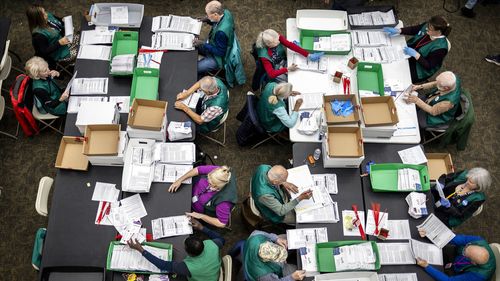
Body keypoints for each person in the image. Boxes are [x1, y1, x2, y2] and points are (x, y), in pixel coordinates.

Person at [127, 218, 223, 281]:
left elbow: (163, 265)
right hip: (213, 273)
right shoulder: (213, 244)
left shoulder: (187, 267)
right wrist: (202, 227)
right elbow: (222, 239)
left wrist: (141, 250)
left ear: (190, 254)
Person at [383, 15, 451, 83]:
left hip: (419, 68)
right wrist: (399, 30)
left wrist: (416, 55)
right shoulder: (429, 26)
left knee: (397, 77)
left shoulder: (441, 48)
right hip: (409, 53)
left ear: (438, 32)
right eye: (428, 26)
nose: (427, 29)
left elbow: (429, 66)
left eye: (430, 29)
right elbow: (414, 29)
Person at [168, 165, 237, 228]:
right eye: (208, 180)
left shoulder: (223, 202)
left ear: (218, 186)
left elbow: (221, 223)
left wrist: (201, 216)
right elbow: (198, 170)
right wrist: (180, 180)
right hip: (189, 194)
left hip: (197, 211)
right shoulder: (219, 173)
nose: (208, 185)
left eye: (211, 184)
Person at [416, 232, 496, 281]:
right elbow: (452, 238)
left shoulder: (478, 276)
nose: (463, 251)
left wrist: (426, 266)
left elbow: (448, 280)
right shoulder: (478, 240)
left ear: (473, 263)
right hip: (455, 256)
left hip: (458, 272)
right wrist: (431, 234)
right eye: (466, 247)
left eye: (465, 254)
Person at [230, 230, 306, 281]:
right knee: (303, 271)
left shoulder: (255, 236)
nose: (284, 259)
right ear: (267, 261)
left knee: (290, 238)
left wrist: (276, 239)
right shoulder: (264, 275)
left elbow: (265, 234)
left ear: (268, 243)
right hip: (260, 269)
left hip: (250, 254)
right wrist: (291, 278)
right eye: (280, 259)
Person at [255, 29, 324, 82]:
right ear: (269, 45)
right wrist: (288, 69)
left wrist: (308, 55)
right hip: (275, 68)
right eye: (276, 42)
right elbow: (271, 74)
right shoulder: (264, 56)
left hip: (282, 61)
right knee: (291, 80)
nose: (279, 41)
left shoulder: (276, 37)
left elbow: (289, 45)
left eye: (278, 39)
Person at [195, 1, 235, 76]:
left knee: (194, 68)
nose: (207, 16)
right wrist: (207, 20)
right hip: (213, 45)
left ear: (215, 14)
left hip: (217, 59)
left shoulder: (221, 33)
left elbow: (220, 52)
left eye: (208, 15)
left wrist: (204, 44)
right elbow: (217, 22)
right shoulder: (226, 12)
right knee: (193, 45)